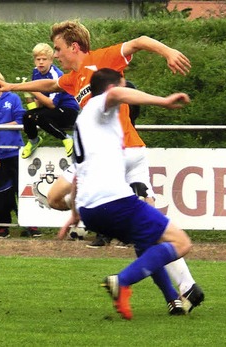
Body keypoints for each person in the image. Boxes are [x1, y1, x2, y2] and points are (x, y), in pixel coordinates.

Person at [0, 20, 205, 311]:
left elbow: (140, 40)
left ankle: (182, 290)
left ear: (74, 46)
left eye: (58, 49)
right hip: (99, 158)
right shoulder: (74, 78)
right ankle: (91, 214)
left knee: (151, 228)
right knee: (56, 199)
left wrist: (167, 52)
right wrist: (12, 85)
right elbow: (50, 84)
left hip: (126, 152)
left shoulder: (103, 60)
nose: (55, 55)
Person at [57, 68, 192, 319]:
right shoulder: (101, 104)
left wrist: (74, 213)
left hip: (90, 209)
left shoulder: (83, 123)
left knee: (146, 243)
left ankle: (172, 298)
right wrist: (163, 101)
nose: (127, 93)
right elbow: (116, 92)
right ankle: (122, 281)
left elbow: (78, 173)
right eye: (124, 87)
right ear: (112, 89)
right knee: (181, 242)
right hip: (114, 201)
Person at [0, 70, 36, 238]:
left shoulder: (13, 98)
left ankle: (30, 223)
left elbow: (20, 120)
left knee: (22, 188)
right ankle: (3, 224)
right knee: (2, 190)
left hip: (16, 151)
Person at [21, 43, 80, 159]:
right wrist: (31, 100)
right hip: (53, 108)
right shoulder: (36, 72)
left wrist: (31, 89)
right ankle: (33, 140)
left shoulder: (55, 75)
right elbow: (40, 101)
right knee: (27, 116)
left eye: (44, 59)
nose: (41, 62)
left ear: (51, 60)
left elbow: (52, 104)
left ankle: (67, 138)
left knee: (40, 117)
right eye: (38, 59)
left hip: (67, 110)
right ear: (34, 60)